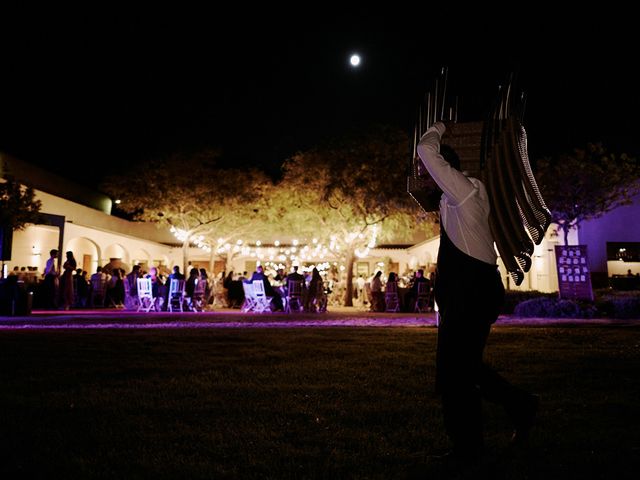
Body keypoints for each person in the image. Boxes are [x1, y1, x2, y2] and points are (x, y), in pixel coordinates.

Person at [418, 121, 538, 467]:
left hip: (473, 291)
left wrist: (438, 126)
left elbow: (426, 149)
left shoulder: (466, 190)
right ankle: (516, 409)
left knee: (457, 373)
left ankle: (469, 447)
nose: (425, 179)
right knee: (461, 369)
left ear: (445, 169)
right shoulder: (453, 200)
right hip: (466, 292)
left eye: (428, 175)